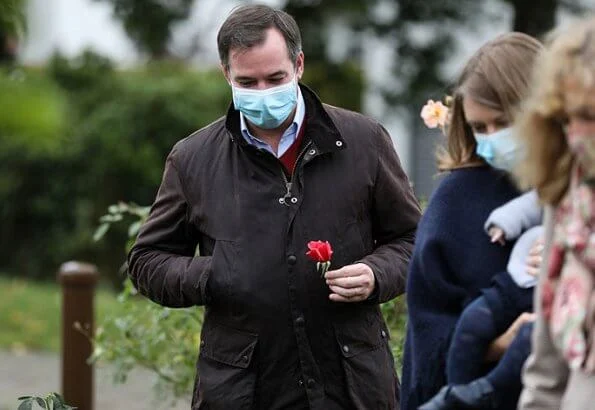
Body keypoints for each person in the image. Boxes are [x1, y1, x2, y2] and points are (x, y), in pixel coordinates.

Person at [127, 4, 421, 409]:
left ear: (299, 65)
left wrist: (376, 273)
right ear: (226, 74)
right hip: (244, 388)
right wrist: (216, 273)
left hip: (352, 383)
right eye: (248, 81)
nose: (264, 93)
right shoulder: (192, 158)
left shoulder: (364, 140)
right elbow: (146, 261)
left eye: (275, 78)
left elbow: (411, 238)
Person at [399, 32, 543, 410]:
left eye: (505, 122)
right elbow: (426, 340)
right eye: (480, 127)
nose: (493, 139)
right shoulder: (456, 200)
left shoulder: (577, 189)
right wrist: (497, 344)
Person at [518, 16, 595, 410]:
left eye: (590, 116)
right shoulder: (567, 199)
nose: (576, 134)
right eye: (567, 119)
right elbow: (546, 370)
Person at [419, 189, 543, 409]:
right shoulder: (571, 185)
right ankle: (456, 395)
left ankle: (480, 393)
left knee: (530, 336)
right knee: (474, 321)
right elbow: (535, 202)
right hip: (517, 283)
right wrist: (504, 222)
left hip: (559, 299)